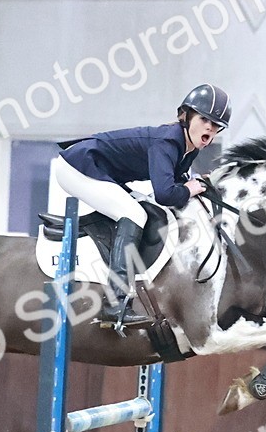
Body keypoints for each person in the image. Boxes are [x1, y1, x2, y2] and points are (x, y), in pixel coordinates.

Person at [52, 83, 232, 328]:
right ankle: (114, 303)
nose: (210, 128)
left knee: (140, 206)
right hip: (78, 166)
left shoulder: (188, 148)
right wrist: (189, 189)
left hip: (100, 171)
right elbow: (165, 194)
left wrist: (197, 185)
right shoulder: (168, 141)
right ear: (187, 116)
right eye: (204, 120)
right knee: (134, 214)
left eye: (216, 125)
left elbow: (177, 184)